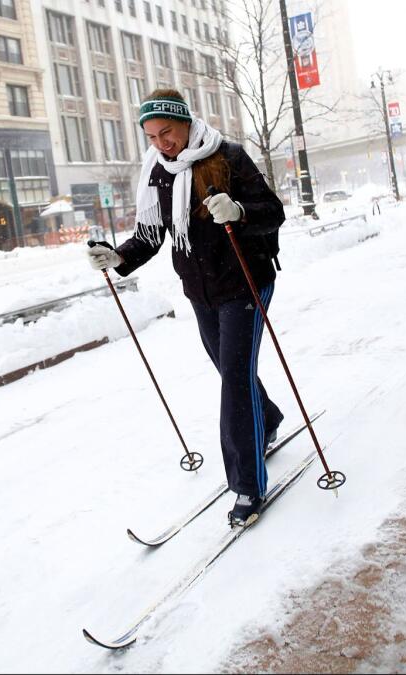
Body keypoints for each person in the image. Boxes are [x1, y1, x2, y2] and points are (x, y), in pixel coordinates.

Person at [86, 89, 286, 527]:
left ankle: (248, 486)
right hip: (201, 293)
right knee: (230, 370)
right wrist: (118, 257)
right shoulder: (158, 171)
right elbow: (150, 235)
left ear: (185, 123)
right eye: (152, 136)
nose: (161, 144)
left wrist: (237, 211)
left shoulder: (228, 156)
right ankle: (267, 417)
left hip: (246, 285)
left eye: (167, 132)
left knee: (233, 381)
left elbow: (273, 211)